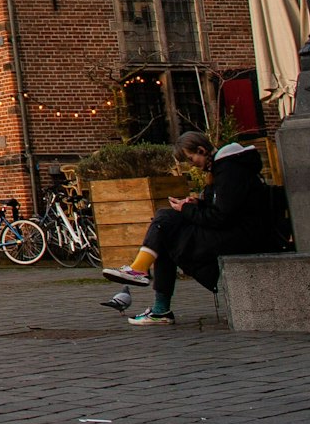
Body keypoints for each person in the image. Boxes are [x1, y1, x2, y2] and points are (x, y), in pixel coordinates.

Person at [101, 131, 278, 326]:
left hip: (241, 237)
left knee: (166, 225)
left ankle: (151, 290)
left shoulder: (229, 170)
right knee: (166, 222)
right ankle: (146, 282)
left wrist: (186, 208)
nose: (191, 164)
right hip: (237, 231)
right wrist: (196, 204)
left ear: (202, 150)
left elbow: (221, 217)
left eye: (191, 158)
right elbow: (225, 207)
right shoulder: (225, 168)